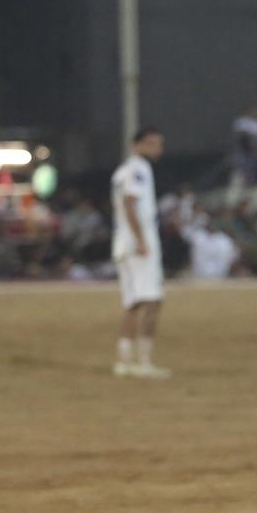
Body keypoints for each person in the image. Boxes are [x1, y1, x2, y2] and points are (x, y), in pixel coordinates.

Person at [111, 127, 170, 378]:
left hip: (123, 243)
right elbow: (130, 203)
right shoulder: (139, 169)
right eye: (151, 144)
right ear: (137, 145)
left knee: (133, 302)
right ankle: (143, 362)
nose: (157, 149)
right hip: (137, 243)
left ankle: (125, 360)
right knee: (152, 301)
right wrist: (141, 240)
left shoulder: (122, 171)